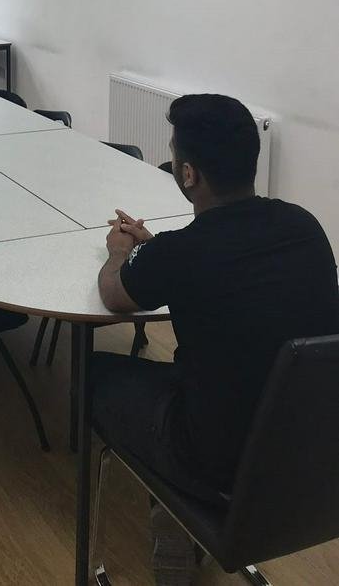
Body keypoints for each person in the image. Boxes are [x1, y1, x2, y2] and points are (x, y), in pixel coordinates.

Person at [94, 93, 339, 584]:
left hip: (216, 461)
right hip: (308, 452)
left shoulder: (182, 252)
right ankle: (176, 524)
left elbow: (115, 297)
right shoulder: (305, 227)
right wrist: (161, 252)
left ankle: (174, 531)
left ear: (187, 175)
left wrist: (120, 249)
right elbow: (225, 266)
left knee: (93, 373)